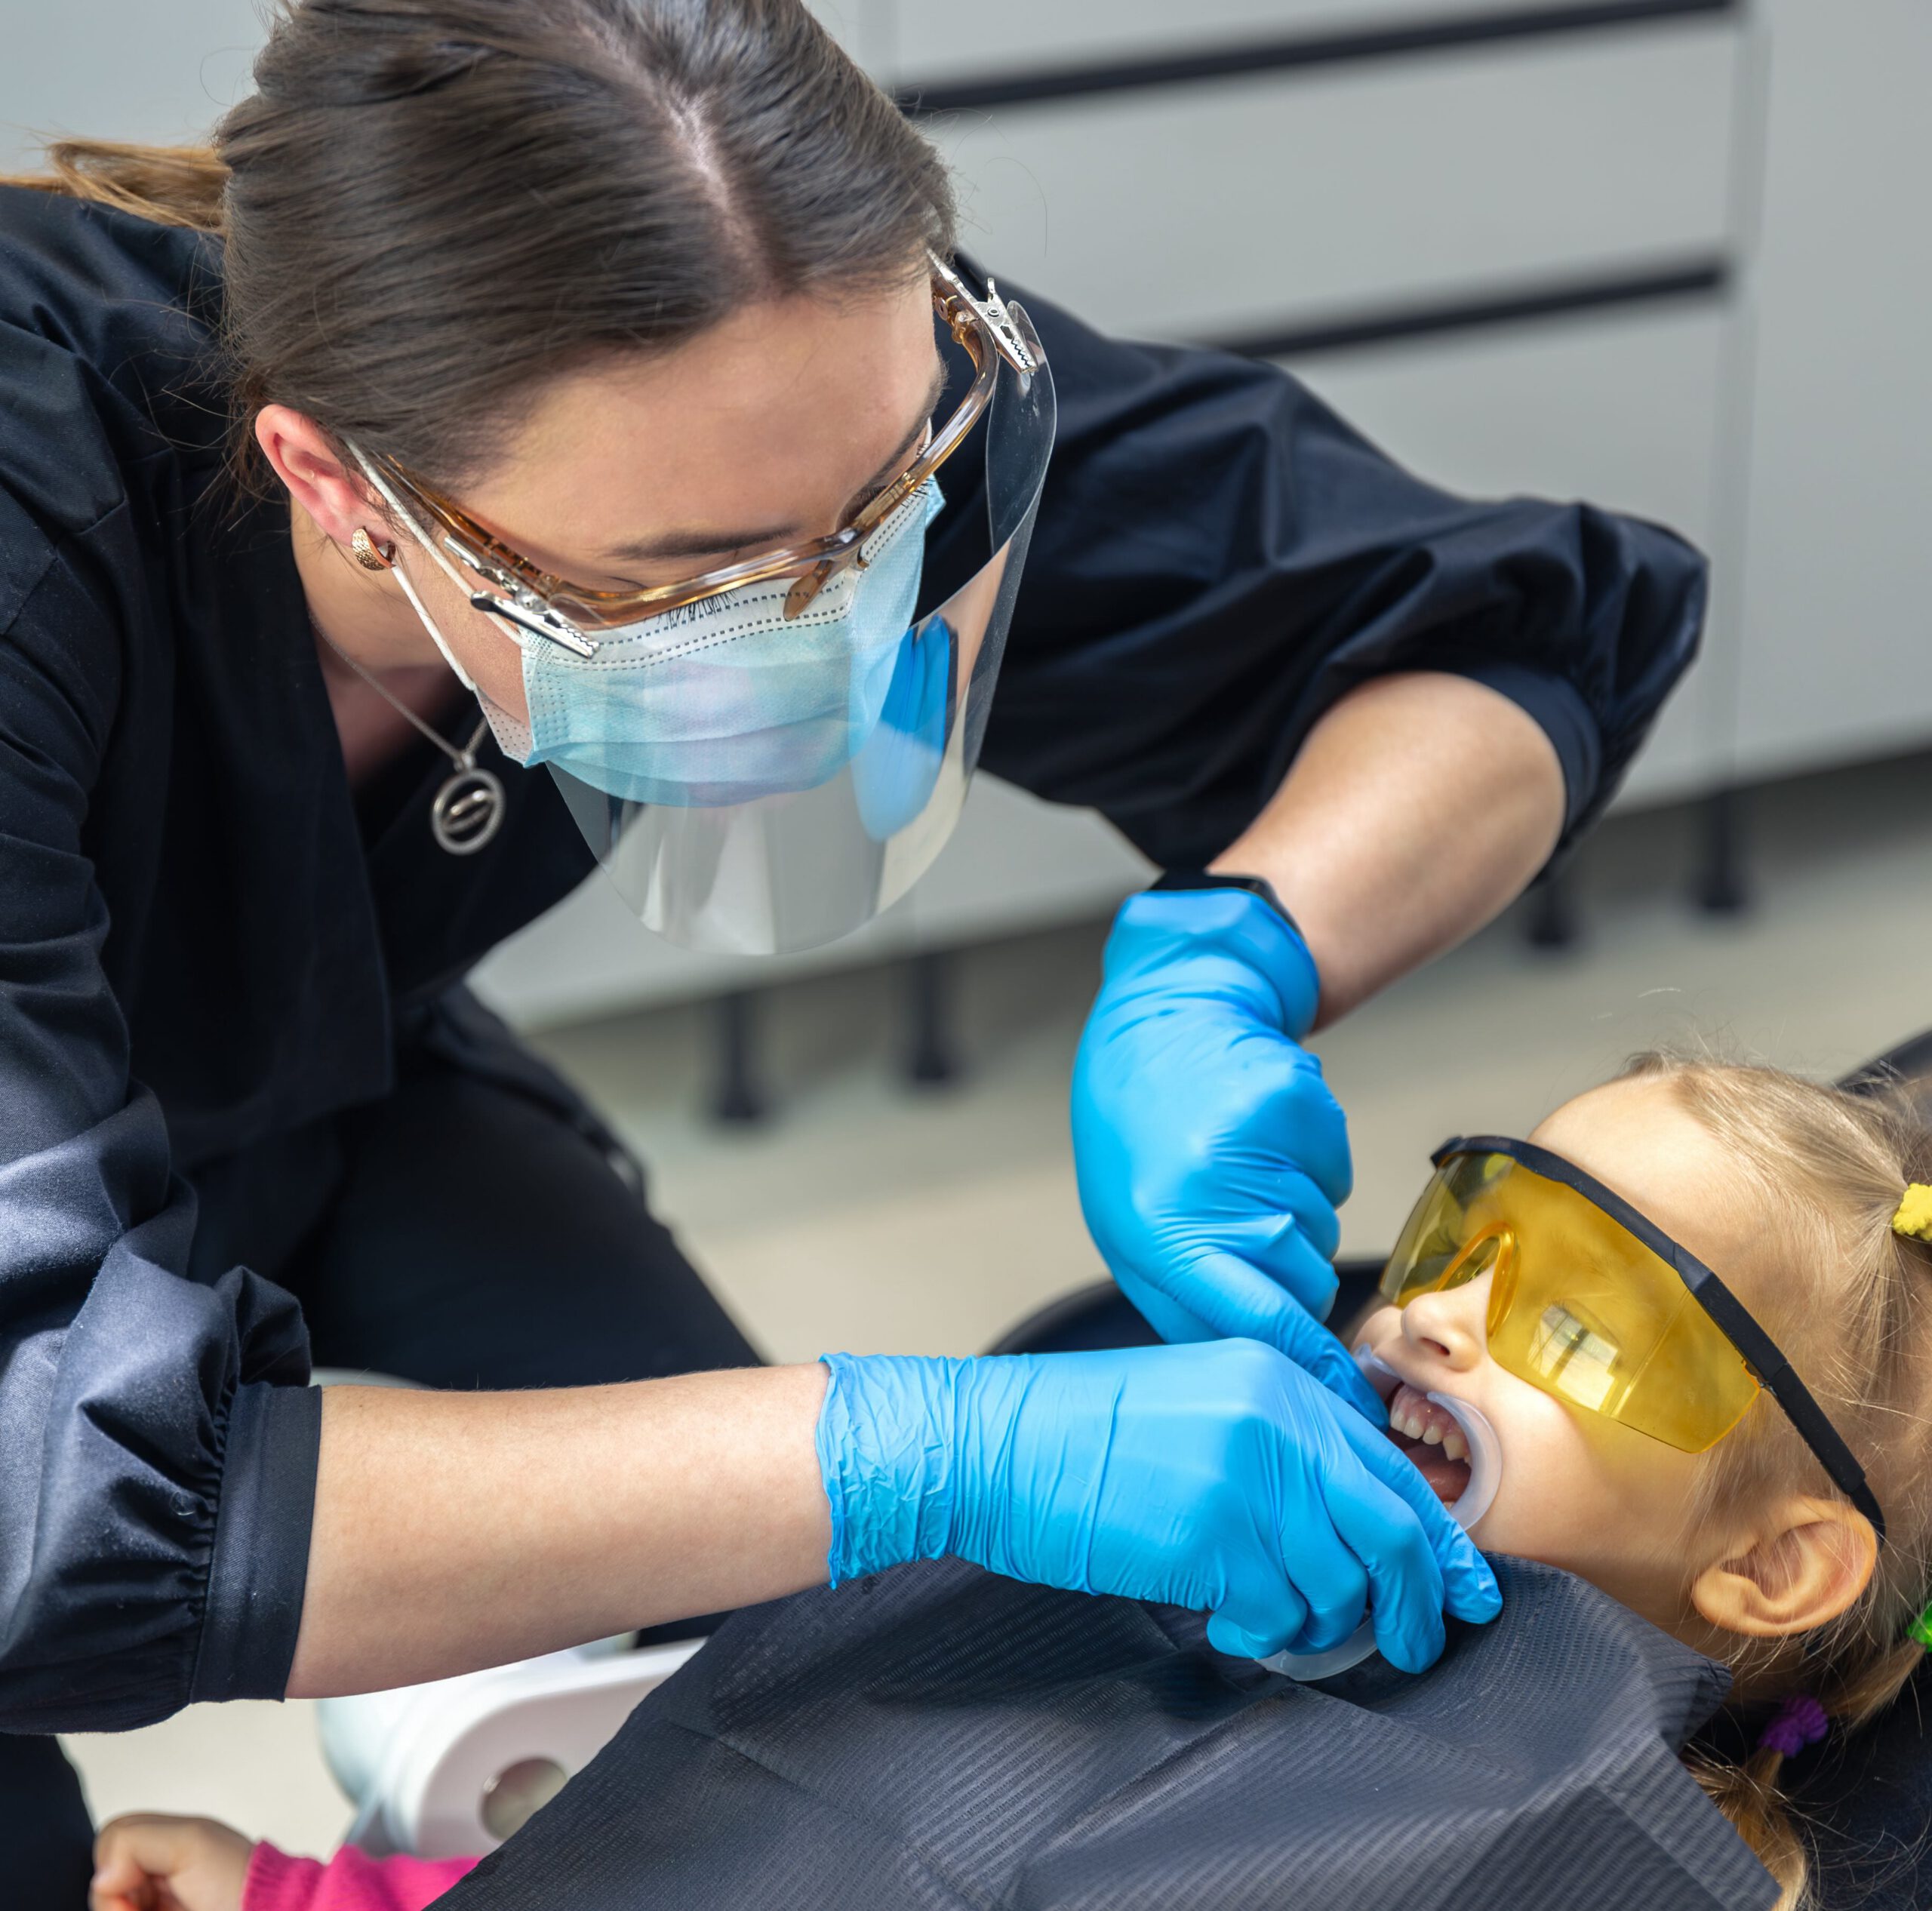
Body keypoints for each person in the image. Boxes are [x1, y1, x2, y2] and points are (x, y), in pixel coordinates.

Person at [0, 0, 1705, 1899]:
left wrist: (1231, 956)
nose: (822, 631)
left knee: (767, 1700)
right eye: (681, 582)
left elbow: (1495, 641)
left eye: (873, 522)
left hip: (326, 1057)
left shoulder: (807, 380)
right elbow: (50, 1515)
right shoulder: (34, 530)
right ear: (333, 483)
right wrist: (919, 1450)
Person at [89, 1054, 1932, 1911]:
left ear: (1773, 1569)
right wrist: (300, 1902)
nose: (1435, 1308)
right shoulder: (1124, 1590)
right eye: (1469, 1228)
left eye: (1584, 1323)